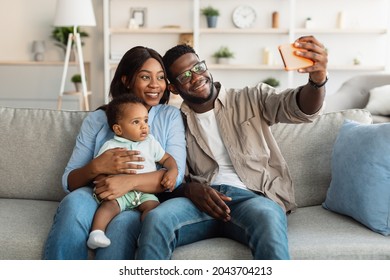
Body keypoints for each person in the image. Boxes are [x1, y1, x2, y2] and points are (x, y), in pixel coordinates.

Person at [137, 36, 328, 260]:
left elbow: (299, 107)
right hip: (201, 203)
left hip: (253, 199)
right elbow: (170, 174)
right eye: (185, 76)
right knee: (156, 220)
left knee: (268, 217)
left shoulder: (251, 98)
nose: (197, 77)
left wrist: (317, 80)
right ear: (174, 88)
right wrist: (190, 190)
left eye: (198, 67)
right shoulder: (176, 120)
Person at [44, 46, 186, 260]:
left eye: (161, 77)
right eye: (145, 77)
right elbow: (70, 181)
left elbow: (175, 176)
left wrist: (127, 182)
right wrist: (97, 167)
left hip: (142, 198)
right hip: (98, 192)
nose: (155, 85)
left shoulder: (170, 117)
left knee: (121, 224)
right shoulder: (98, 119)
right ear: (126, 80)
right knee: (73, 204)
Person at [87, 94, 178, 250]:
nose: (144, 126)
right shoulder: (111, 146)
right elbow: (100, 168)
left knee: (154, 208)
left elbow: (167, 158)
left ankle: (145, 235)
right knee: (108, 207)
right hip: (120, 193)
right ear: (118, 129)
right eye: (136, 122)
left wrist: (172, 170)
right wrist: (103, 181)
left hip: (144, 192)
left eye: (145, 120)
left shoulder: (151, 142)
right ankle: (97, 233)